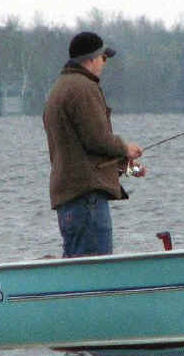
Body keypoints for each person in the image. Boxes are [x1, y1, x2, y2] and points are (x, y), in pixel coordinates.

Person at [43, 31, 144, 257]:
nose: (104, 63)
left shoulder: (59, 88)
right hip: (87, 199)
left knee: (76, 269)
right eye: (103, 58)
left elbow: (78, 149)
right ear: (90, 59)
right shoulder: (84, 88)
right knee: (96, 270)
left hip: (69, 197)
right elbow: (97, 138)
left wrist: (125, 166)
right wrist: (125, 148)